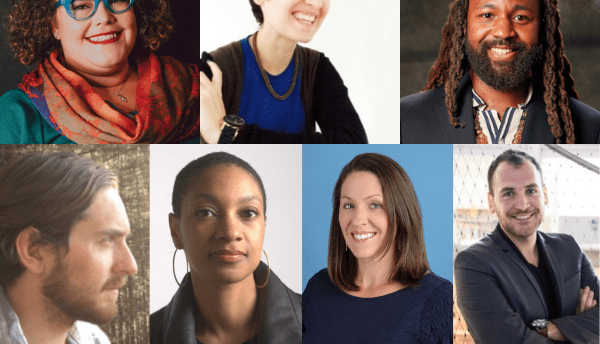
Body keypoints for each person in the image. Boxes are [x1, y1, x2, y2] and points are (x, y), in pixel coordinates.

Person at [0, 0, 199, 144]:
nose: (104, 17)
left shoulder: (194, 85)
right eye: (81, 6)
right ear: (54, 25)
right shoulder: (18, 115)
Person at [400, 0, 600, 144]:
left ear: (542, 29)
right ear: (463, 25)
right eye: (487, 15)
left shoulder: (590, 128)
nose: (503, 32)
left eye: (520, 17)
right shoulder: (405, 119)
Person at [200, 0, 367, 144]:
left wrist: (228, 135)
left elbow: (352, 145)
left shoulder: (318, 70)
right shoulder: (214, 69)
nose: (317, 1)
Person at [150, 152, 301, 344]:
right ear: (175, 230)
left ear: (264, 226)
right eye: (205, 212)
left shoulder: (321, 322)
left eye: (248, 213)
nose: (230, 232)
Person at [302, 153, 452, 343]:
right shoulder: (318, 287)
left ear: (401, 214)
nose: (357, 220)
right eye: (348, 205)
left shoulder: (438, 297)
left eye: (375, 205)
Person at [455, 149, 599, 343]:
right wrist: (580, 332)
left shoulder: (569, 248)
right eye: (508, 193)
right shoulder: (473, 263)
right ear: (492, 202)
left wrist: (553, 329)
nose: (522, 205)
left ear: (544, 195)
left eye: (531, 190)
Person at [0, 152, 138, 344]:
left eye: (125, 241)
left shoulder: (95, 339)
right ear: (34, 250)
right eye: (107, 240)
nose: (131, 266)